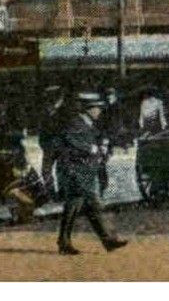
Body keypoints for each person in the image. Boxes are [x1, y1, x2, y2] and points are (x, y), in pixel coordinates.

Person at [54, 93, 127, 256]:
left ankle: (67, 241)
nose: (99, 111)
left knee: (80, 207)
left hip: (84, 171)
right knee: (86, 205)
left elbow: (97, 139)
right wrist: (91, 148)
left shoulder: (89, 124)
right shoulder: (75, 123)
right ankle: (105, 241)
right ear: (89, 109)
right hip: (74, 171)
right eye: (97, 108)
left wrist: (104, 146)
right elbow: (69, 140)